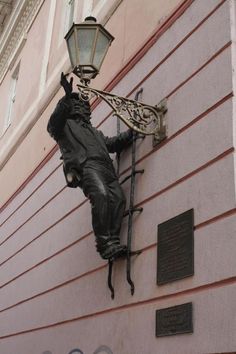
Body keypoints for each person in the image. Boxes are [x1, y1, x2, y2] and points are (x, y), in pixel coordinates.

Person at [47, 73, 133, 260]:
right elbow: (53, 124)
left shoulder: (94, 131)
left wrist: (130, 134)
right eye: (79, 105)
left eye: (85, 106)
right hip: (88, 167)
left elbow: (111, 143)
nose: (85, 108)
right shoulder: (64, 127)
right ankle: (105, 243)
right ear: (71, 108)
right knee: (101, 195)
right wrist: (67, 97)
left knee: (118, 198)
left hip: (106, 168)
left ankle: (113, 239)